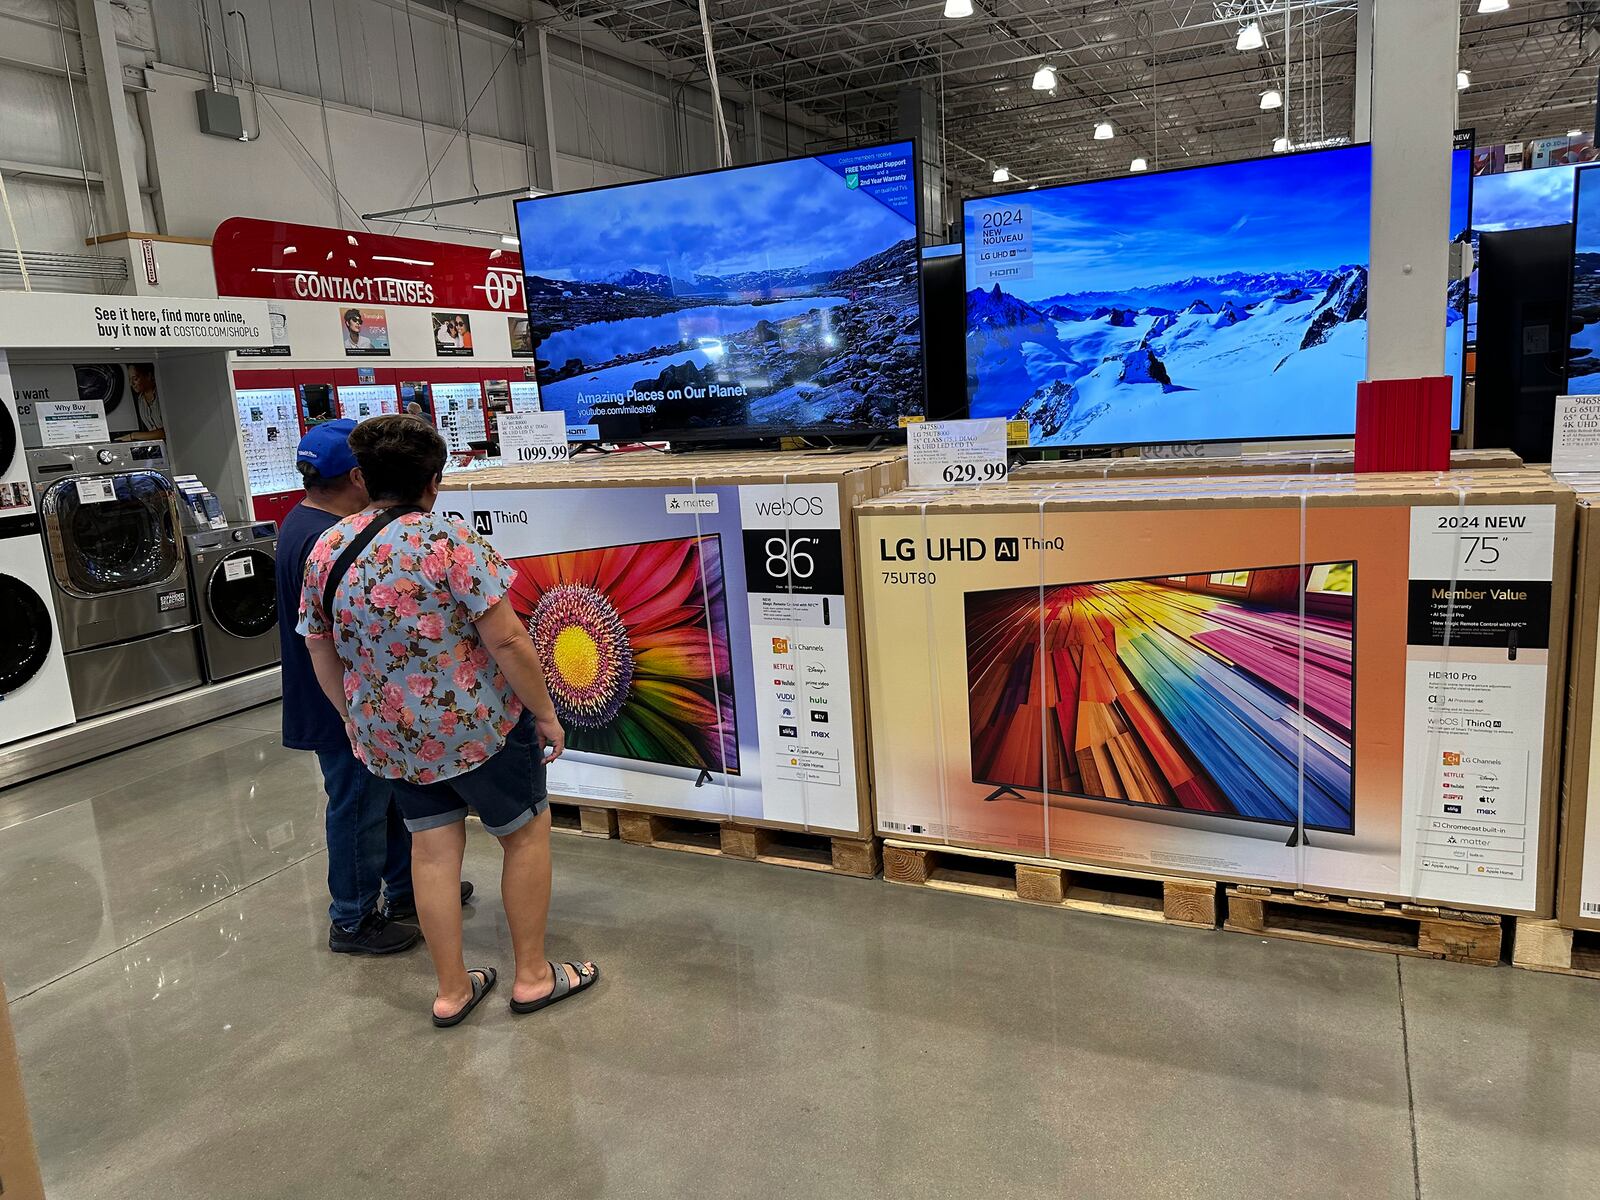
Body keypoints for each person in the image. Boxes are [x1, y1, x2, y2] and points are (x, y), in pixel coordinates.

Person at [298, 414, 599, 1027]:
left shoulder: (326, 548)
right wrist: (545, 712)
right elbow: (509, 640)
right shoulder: (452, 543)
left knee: (431, 854)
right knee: (524, 836)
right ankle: (535, 977)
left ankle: (452, 991)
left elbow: (318, 647)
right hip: (480, 730)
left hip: (395, 739)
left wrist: (355, 721)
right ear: (434, 480)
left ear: (361, 476)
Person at [276, 420, 470, 955]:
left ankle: (408, 890)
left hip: (340, 699)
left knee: (386, 803)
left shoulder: (300, 521)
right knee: (358, 808)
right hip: (342, 703)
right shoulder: (328, 539)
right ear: (359, 478)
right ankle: (353, 918)